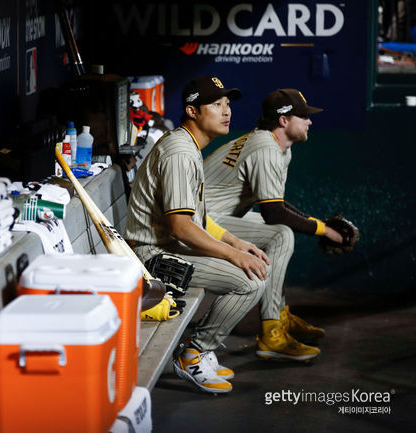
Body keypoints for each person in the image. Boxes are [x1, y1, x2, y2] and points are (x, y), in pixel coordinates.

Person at [126, 76, 272, 394]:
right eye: (216, 104)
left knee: (251, 269)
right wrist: (233, 255)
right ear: (192, 111)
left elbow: (198, 219)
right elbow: (181, 226)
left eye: (227, 103)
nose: (226, 110)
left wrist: (236, 242)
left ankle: (201, 350)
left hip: (166, 247)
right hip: (150, 258)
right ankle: (194, 354)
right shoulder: (179, 152)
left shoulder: (188, 146)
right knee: (250, 281)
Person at [202, 88, 341, 362]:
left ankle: (279, 315)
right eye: (303, 116)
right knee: (280, 235)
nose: (309, 121)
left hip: (215, 217)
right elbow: (274, 214)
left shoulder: (276, 147)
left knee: (282, 236)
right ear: (284, 121)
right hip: (200, 224)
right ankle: (271, 331)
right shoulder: (265, 148)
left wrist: (319, 224)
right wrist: (324, 231)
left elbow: (278, 204)